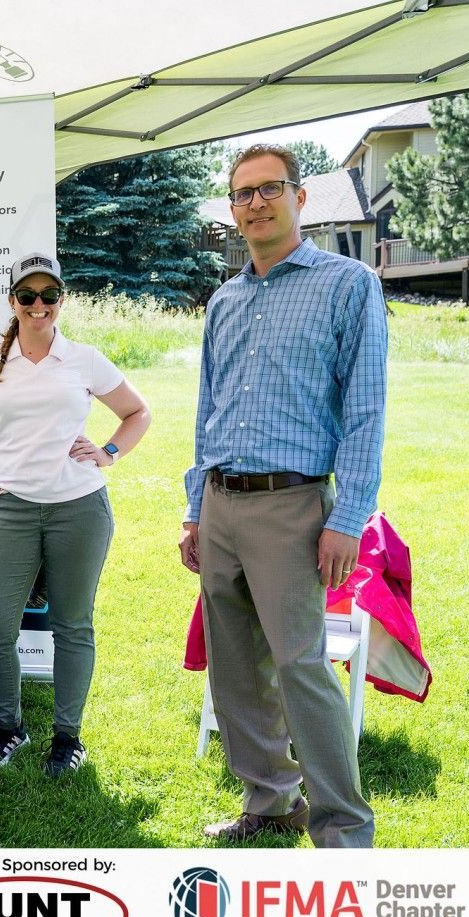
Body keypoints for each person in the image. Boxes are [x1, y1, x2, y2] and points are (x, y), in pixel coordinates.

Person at [180, 144, 386, 848]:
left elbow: (363, 410)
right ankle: (269, 803)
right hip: (220, 503)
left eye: (269, 189)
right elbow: (208, 408)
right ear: (232, 210)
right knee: (234, 668)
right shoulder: (225, 299)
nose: (255, 204)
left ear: (298, 197)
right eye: (241, 194)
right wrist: (192, 508)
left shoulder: (346, 284)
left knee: (300, 668)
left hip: (293, 508)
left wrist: (348, 516)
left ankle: (344, 830)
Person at [0, 251, 151, 778]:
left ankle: (67, 737)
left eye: (50, 296)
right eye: (28, 296)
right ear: (12, 300)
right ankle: (9, 726)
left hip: (78, 509)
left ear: (62, 299)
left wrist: (108, 452)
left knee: (72, 625)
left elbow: (137, 412)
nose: (40, 306)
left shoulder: (82, 358)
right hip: (10, 507)